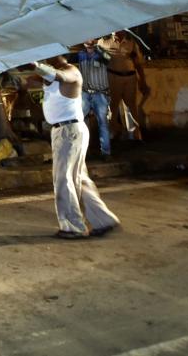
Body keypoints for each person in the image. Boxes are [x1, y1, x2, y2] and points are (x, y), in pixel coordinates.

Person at [27, 56, 119, 239]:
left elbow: (59, 76)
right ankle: (103, 220)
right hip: (65, 131)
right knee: (78, 178)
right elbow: (32, 81)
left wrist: (36, 66)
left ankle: (73, 227)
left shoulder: (71, 71)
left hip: (68, 131)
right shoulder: (50, 76)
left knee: (65, 179)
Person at [99, 31, 150, 143]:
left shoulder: (131, 43)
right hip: (113, 76)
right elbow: (95, 53)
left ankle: (134, 136)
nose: (115, 32)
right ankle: (112, 134)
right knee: (112, 107)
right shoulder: (104, 42)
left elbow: (138, 64)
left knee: (131, 107)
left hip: (130, 77)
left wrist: (142, 81)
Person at [73, 39, 112, 158]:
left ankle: (106, 152)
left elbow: (108, 58)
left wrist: (97, 47)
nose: (88, 41)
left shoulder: (102, 54)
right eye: (85, 39)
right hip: (84, 93)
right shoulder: (80, 54)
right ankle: (83, 152)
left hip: (100, 94)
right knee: (80, 121)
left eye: (91, 39)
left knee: (103, 123)